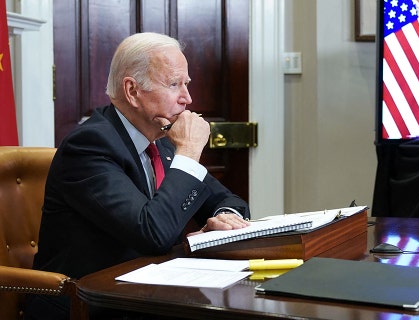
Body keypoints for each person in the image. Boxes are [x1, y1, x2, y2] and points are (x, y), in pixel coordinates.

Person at [26, 32, 251, 319]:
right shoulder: (89, 147)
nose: (188, 98)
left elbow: (229, 200)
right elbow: (152, 233)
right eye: (174, 84)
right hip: (88, 303)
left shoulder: (162, 142)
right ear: (132, 91)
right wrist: (191, 150)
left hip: (147, 294)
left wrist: (224, 218)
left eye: (186, 84)